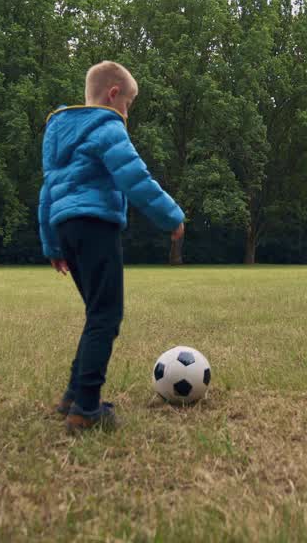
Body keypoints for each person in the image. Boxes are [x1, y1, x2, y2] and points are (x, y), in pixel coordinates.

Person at [38, 60, 185, 434]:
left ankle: (73, 396)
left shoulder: (58, 133)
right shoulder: (106, 126)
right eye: (129, 104)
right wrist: (171, 215)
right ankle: (86, 409)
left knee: (96, 314)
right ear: (114, 94)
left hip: (67, 228)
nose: (127, 113)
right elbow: (134, 177)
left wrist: (52, 244)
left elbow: (48, 192)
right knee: (106, 316)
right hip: (95, 225)